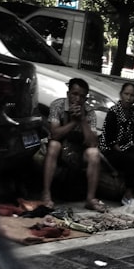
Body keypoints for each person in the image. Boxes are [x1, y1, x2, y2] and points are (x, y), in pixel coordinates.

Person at [41, 77, 105, 211]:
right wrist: (73, 122)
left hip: (79, 150)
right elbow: (55, 134)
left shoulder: (89, 112)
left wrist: (82, 120)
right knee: (54, 145)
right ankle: (46, 194)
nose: (77, 99)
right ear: (68, 94)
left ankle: (90, 199)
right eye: (75, 94)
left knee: (94, 154)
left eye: (82, 96)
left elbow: (92, 142)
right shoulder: (57, 105)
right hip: (60, 147)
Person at [98, 81, 134, 203]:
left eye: (132, 95)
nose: (129, 98)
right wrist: (129, 153)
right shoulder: (113, 113)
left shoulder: (131, 114)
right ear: (121, 95)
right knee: (131, 159)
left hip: (125, 150)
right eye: (126, 94)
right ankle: (128, 193)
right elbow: (111, 142)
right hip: (110, 150)